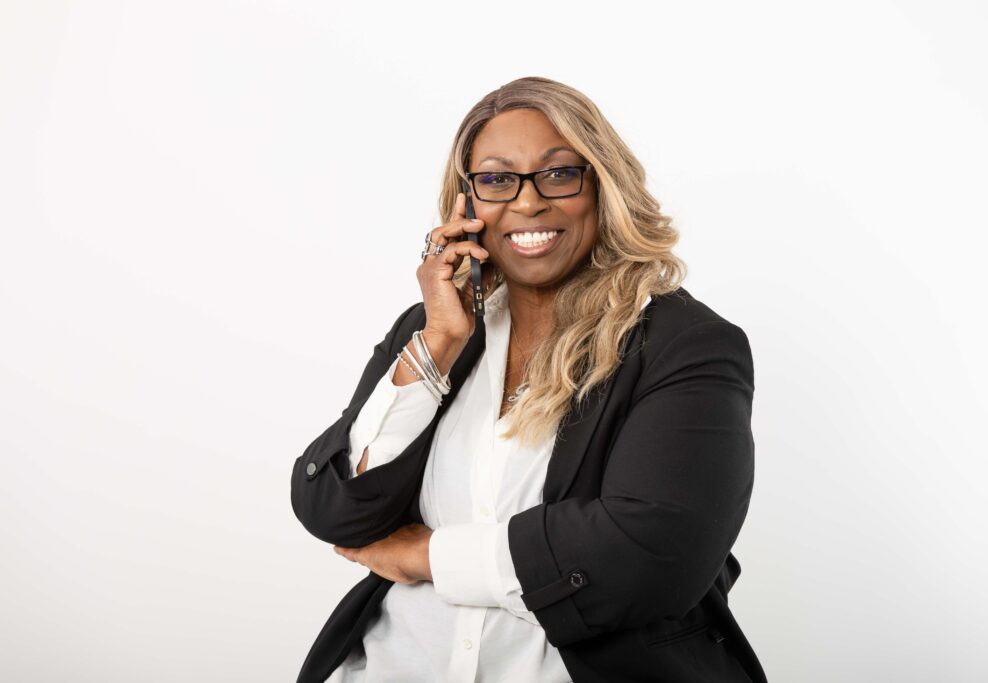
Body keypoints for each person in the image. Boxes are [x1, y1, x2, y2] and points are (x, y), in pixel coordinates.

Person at [290, 76, 767, 683]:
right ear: (466, 204)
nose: (527, 202)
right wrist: (437, 344)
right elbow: (335, 511)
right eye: (496, 180)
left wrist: (428, 556)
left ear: (602, 186)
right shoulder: (434, 327)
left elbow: (652, 554)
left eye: (559, 173)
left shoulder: (683, 345)